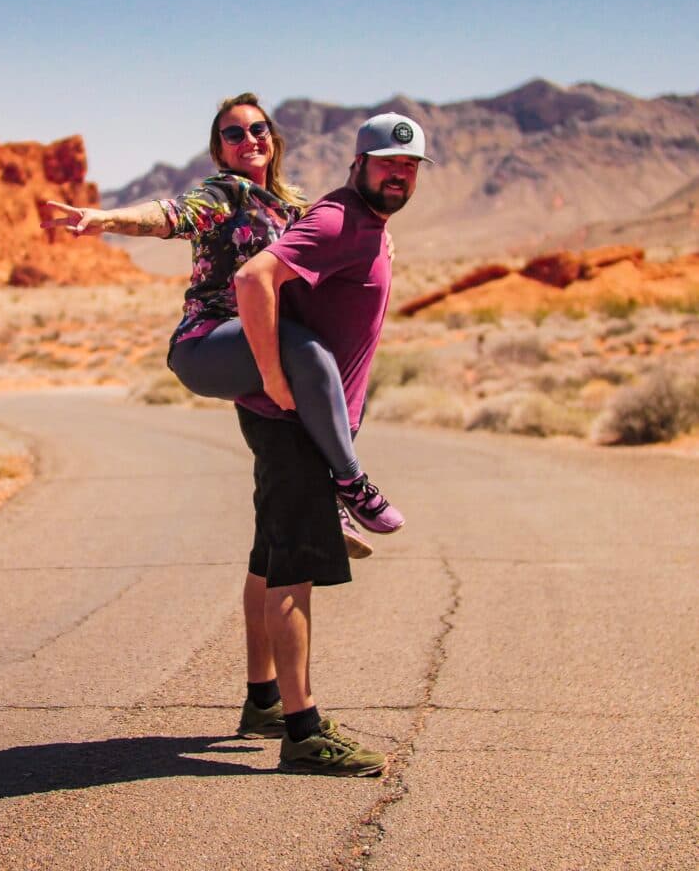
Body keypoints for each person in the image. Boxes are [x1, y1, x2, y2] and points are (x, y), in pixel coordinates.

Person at [40, 93, 405, 559]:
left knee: (335, 375)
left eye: (258, 129)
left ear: (272, 138)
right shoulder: (224, 193)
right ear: (220, 149)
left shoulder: (293, 208)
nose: (248, 139)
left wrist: (379, 237)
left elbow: (340, 235)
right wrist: (108, 217)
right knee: (304, 349)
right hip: (207, 344)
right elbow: (173, 214)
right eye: (233, 134)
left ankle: (327, 496)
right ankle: (352, 484)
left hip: (257, 344)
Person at [232, 112, 434, 774]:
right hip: (294, 424)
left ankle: (263, 699)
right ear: (359, 163)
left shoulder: (367, 225)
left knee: (270, 552)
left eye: (407, 167)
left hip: (298, 419)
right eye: (386, 163)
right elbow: (253, 278)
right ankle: (302, 730)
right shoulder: (340, 219)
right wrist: (270, 372)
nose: (397, 174)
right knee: (295, 567)